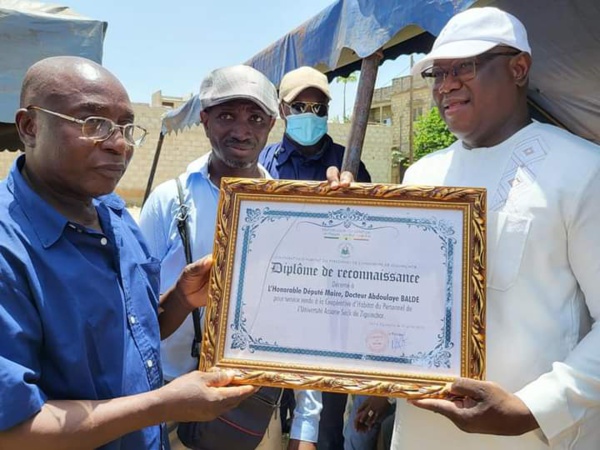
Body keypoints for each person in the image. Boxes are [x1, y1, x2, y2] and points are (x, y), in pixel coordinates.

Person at [330, 6, 600, 450]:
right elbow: (389, 296)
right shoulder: (419, 177)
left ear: (518, 68)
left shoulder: (582, 171)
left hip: (531, 439)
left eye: (466, 67)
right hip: (420, 433)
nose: (446, 84)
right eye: (437, 73)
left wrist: (534, 408)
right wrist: (333, 223)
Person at [0, 56, 255, 450]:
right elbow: (15, 431)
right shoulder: (8, 250)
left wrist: (182, 299)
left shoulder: (113, 214)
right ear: (30, 127)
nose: (119, 143)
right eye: (93, 123)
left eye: (125, 127)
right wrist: (162, 405)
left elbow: (136, 330)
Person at [139, 65, 322, 450]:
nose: (241, 130)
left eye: (255, 117)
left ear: (271, 124)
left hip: (254, 414)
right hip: (172, 411)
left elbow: (304, 322)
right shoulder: (168, 202)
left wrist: (305, 429)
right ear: (205, 121)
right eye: (227, 116)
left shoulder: (291, 207)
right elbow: (138, 326)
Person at [259, 65, 371, 450]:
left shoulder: (350, 167)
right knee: (265, 418)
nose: (311, 115)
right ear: (282, 109)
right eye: (300, 106)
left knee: (323, 427)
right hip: (271, 314)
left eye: (319, 108)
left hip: (332, 322)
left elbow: (372, 248)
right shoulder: (262, 165)